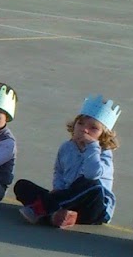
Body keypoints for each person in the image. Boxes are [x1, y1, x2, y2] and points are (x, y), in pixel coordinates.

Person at [12, 96, 121, 228]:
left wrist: (92, 146)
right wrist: (58, 189)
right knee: (22, 186)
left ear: (103, 135)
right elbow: (59, 170)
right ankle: (59, 216)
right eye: (80, 123)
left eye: (93, 128)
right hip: (68, 199)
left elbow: (92, 174)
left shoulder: (104, 153)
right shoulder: (67, 147)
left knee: (91, 184)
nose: (84, 129)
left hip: (94, 207)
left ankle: (43, 209)